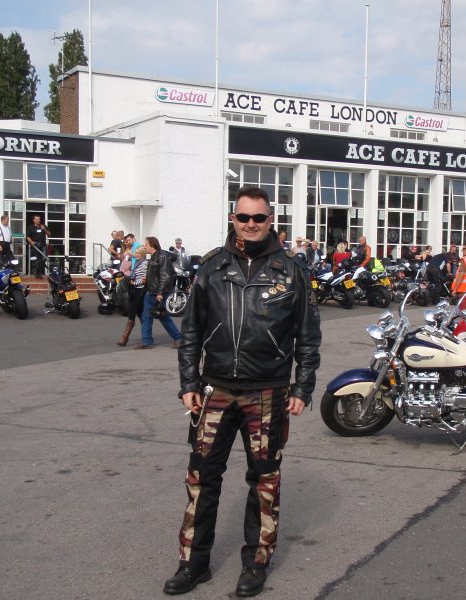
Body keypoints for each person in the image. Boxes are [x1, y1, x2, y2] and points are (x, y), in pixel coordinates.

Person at [168, 186, 321, 597]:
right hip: (215, 389)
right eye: (244, 217)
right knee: (201, 477)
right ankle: (193, 563)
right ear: (233, 219)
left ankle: (256, 563)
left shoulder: (292, 270)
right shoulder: (211, 267)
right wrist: (188, 383)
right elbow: (191, 332)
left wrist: (303, 386)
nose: (251, 224)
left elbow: (308, 335)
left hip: (267, 392)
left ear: (271, 220)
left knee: (264, 480)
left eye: (259, 218)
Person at [134, 236, 182, 350]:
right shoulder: (153, 257)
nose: (145, 247)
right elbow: (155, 275)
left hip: (159, 292)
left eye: (146, 245)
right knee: (146, 317)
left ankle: (178, 338)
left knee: (162, 316)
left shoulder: (162, 256)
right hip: (150, 291)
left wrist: (160, 293)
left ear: (152, 245)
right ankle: (146, 341)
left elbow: (165, 276)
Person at [116, 245, 148, 346]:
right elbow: (134, 275)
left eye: (139, 253)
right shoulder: (137, 263)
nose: (137, 255)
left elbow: (144, 279)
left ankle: (124, 338)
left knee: (132, 312)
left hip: (140, 291)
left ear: (143, 254)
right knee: (140, 314)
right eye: (136, 253)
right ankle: (146, 337)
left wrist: (133, 283)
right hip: (134, 290)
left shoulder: (144, 264)